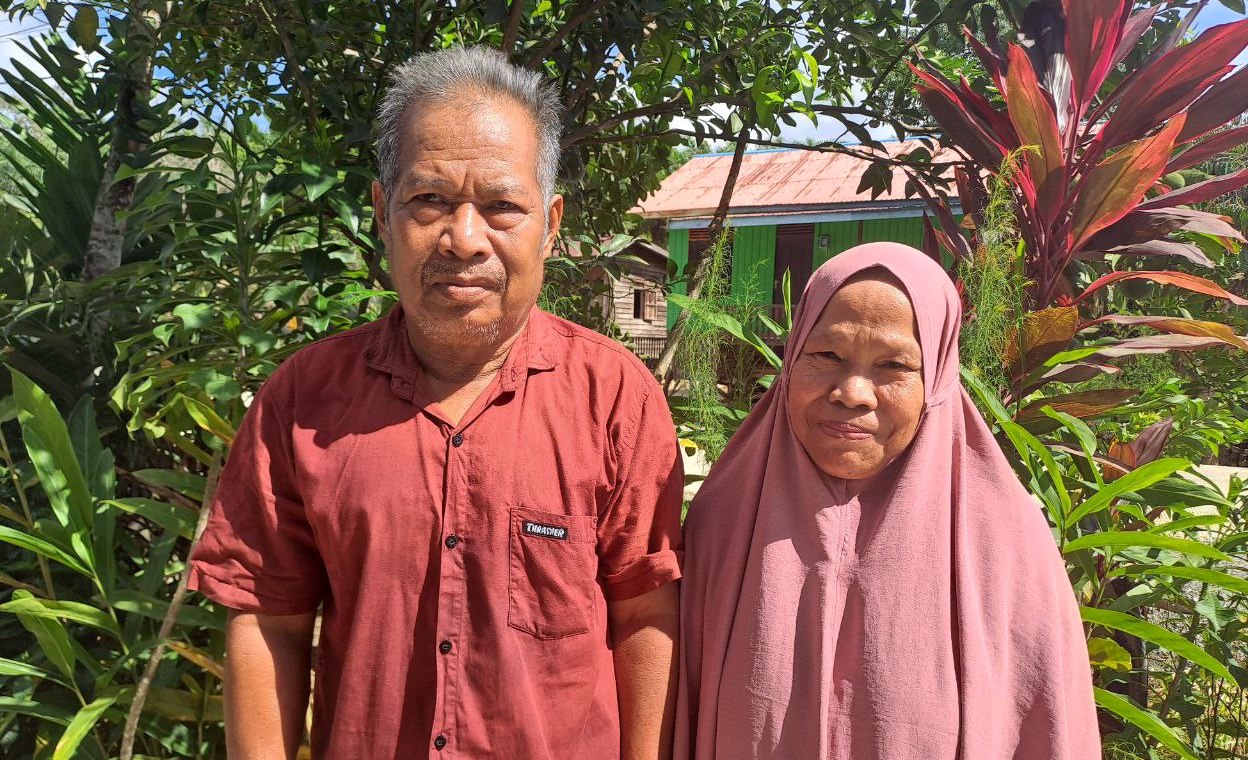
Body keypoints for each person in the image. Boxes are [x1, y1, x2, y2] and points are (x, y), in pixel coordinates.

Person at [189, 46, 683, 760]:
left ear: (549, 223)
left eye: (501, 206)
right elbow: (271, 623)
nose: (464, 238)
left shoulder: (614, 400)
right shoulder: (303, 402)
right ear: (381, 214)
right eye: (430, 200)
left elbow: (645, 616)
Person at [676, 242, 1099, 759]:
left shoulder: (1004, 547)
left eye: (894, 365)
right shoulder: (725, 518)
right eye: (827, 354)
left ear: (937, 378)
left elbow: (1046, 731)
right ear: (792, 358)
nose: (853, 391)